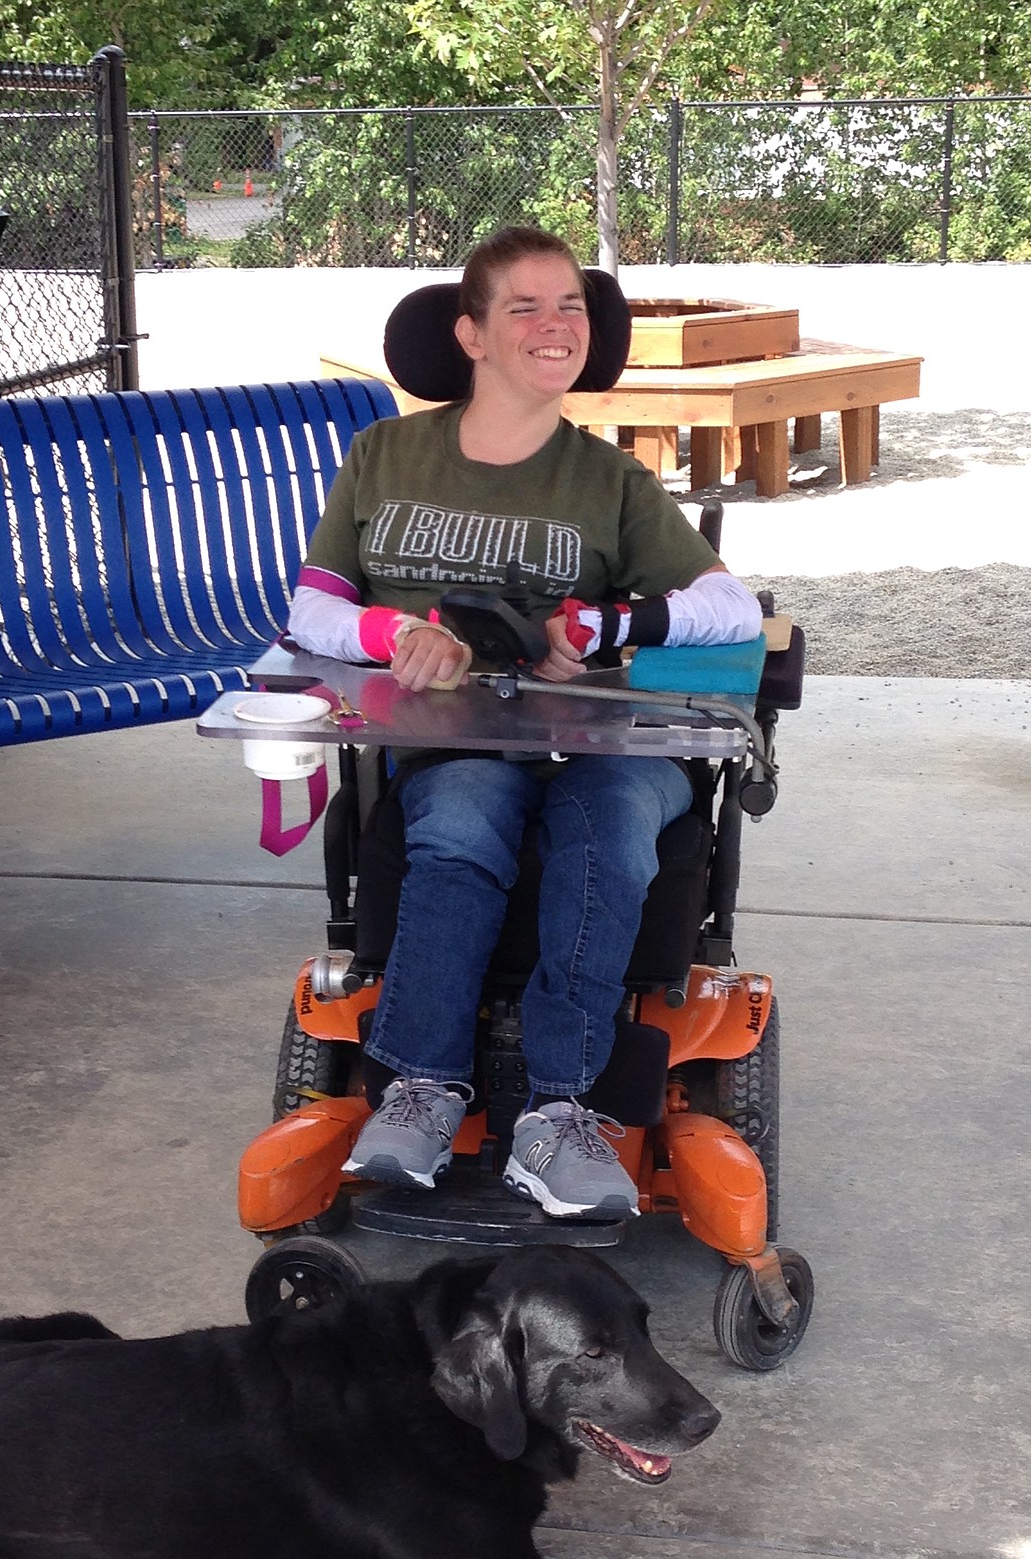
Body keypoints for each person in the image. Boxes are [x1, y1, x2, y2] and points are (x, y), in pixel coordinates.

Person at [286, 226, 762, 1220]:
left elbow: (732, 610)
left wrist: (610, 625)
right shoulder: (385, 454)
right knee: (460, 817)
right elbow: (311, 608)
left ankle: (562, 1109)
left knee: (607, 829)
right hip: (458, 740)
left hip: (602, 743)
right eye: (526, 308)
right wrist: (393, 631)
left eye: (573, 308)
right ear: (469, 333)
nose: (557, 327)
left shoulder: (612, 481)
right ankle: (419, 1085)